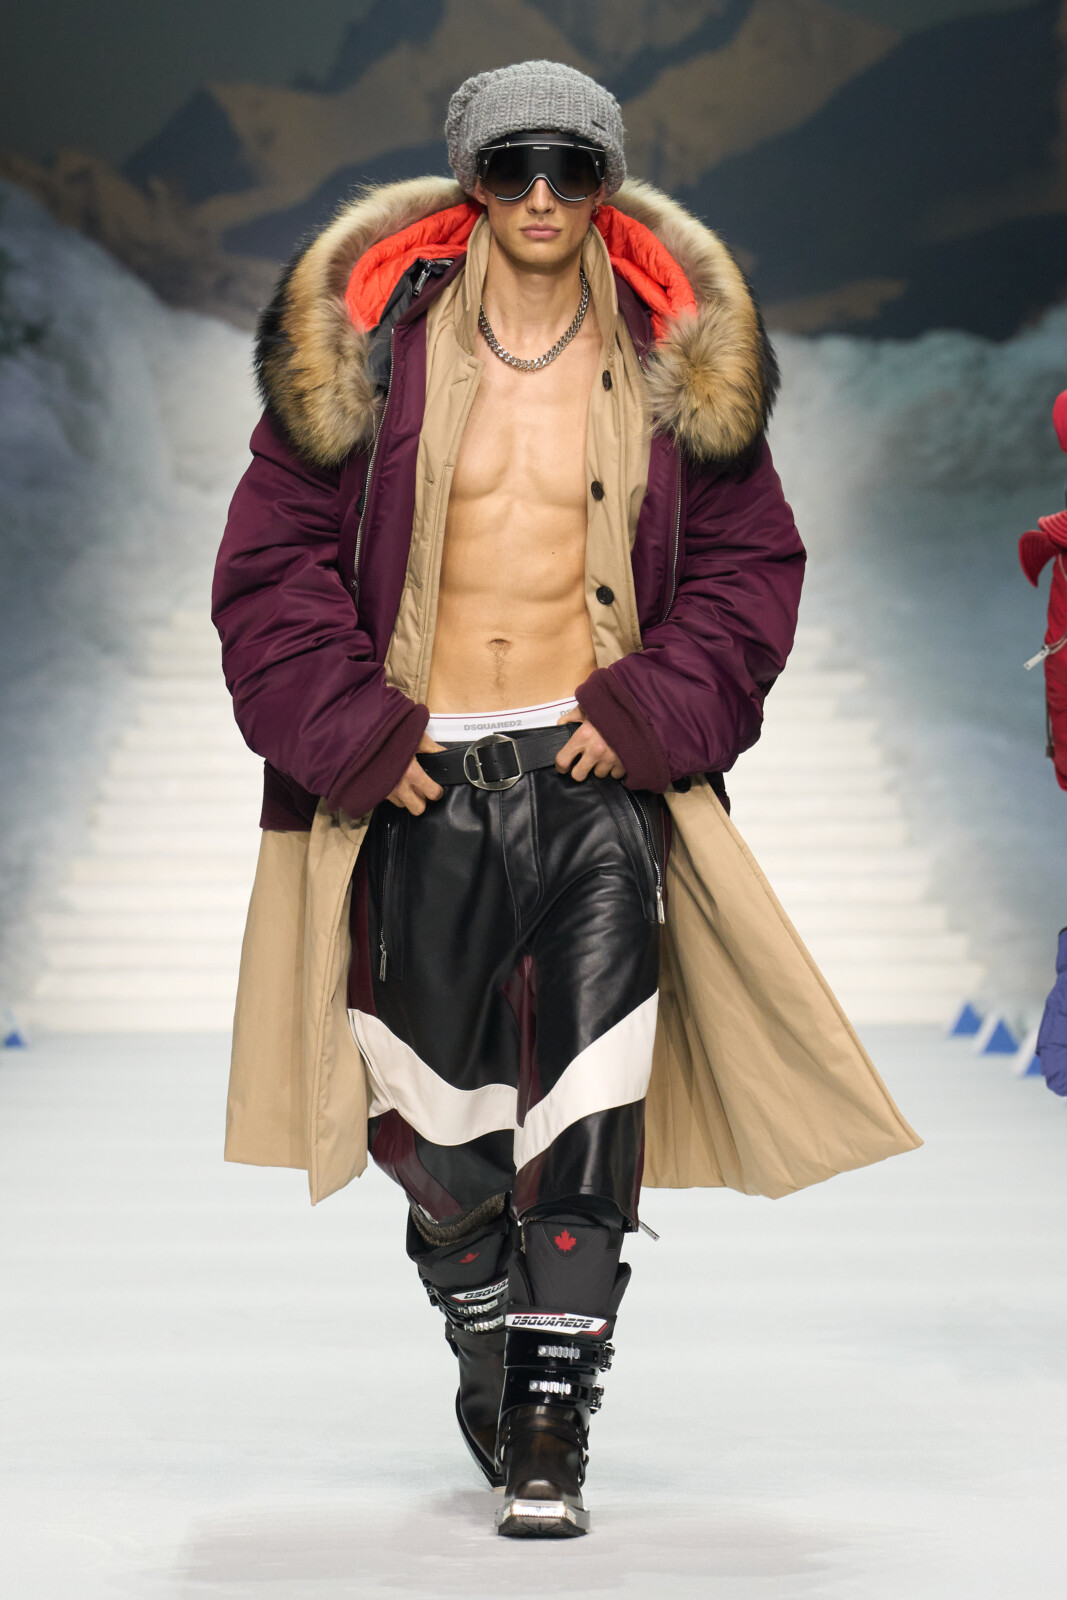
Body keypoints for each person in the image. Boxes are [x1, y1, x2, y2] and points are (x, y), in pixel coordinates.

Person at [212, 59, 920, 1538]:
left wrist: (652, 711)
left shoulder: (678, 360)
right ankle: (482, 1318)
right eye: (514, 166)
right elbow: (270, 565)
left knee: (592, 1112)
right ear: (471, 179)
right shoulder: (365, 352)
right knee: (440, 1148)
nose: (543, 196)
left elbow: (751, 570)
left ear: (608, 183)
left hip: (594, 789)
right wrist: (355, 729)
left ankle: (551, 1420)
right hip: (415, 788)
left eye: (574, 168)